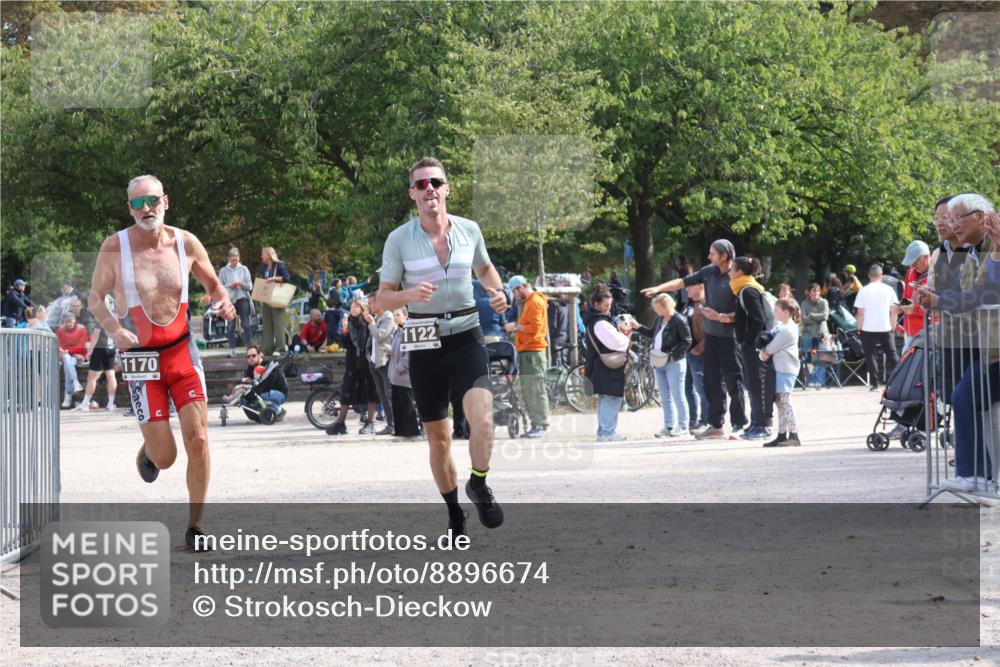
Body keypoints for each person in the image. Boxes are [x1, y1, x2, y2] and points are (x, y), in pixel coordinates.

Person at [86, 174, 236, 550]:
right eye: (137, 203)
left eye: (152, 201)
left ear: (166, 201)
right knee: (166, 458)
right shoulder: (114, 247)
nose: (146, 209)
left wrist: (223, 301)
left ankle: (196, 525)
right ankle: (150, 448)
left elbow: (214, 285)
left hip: (182, 351)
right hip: (141, 359)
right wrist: (114, 331)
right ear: (129, 208)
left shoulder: (185, 243)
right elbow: (94, 299)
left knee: (199, 439)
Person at [377, 156, 509, 536]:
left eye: (435, 182)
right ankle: (454, 512)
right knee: (439, 437)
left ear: (447, 188)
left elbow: (484, 269)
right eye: (421, 184)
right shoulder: (399, 239)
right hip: (423, 339)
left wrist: (496, 292)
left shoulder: (469, 230)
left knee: (483, 420)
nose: (429, 188)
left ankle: (479, 483)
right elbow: (381, 299)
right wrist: (409, 295)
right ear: (413, 195)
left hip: (467, 334)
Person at [916, 194, 1000, 493]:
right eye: (947, 219)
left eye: (956, 219)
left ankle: (977, 473)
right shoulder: (974, 251)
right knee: (964, 395)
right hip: (987, 348)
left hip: (992, 349)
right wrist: (938, 299)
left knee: (965, 395)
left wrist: (941, 300)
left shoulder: (991, 248)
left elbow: (989, 295)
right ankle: (976, 473)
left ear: (980, 216)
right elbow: (975, 292)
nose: (951, 225)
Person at [642, 239, 747, 439]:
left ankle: (739, 424)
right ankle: (716, 425)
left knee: (734, 381)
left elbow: (745, 310)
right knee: (711, 382)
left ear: (724, 256)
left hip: (730, 337)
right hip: (712, 337)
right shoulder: (709, 271)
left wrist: (724, 317)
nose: (709, 257)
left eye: (712, 254)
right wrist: (658, 289)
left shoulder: (738, 274)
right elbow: (682, 282)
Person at [730, 257, 775, 440]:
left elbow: (758, 319)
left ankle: (763, 425)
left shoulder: (748, 291)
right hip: (751, 345)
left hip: (754, 346)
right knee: (751, 384)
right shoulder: (745, 289)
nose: (729, 272)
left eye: (732, 269)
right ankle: (756, 422)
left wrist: (750, 341)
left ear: (740, 271)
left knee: (757, 385)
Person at [635, 293, 691, 437]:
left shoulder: (678, 319)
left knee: (678, 394)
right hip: (659, 361)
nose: (655, 310)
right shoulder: (660, 318)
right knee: (665, 396)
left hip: (674, 362)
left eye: (657, 307)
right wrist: (637, 327)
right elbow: (652, 333)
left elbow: (687, 341)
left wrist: (672, 356)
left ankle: (684, 426)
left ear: (665, 306)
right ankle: (669, 426)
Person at [584, 286, 633, 441]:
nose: (608, 309)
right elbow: (617, 342)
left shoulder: (594, 320)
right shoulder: (600, 322)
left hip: (599, 365)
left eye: (609, 305)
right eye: (606, 305)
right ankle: (607, 432)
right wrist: (627, 337)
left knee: (606, 399)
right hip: (606, 366)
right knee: (612, 398)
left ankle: (604, 431)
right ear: (597, 305)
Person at [504, 275, 549, 438]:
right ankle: (536, 425)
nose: (514, 295)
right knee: (529, 390)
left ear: (521, 287)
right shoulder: (529, 302)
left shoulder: (535, 302)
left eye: (515, 291)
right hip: (528, 351)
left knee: (536, 389)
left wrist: (515, 326)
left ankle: (541, 425)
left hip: (533, 352)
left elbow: (535, 328)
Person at [760, 299, 803, 447]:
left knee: (785, 402)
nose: (774, 312)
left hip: (785, 369)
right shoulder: (781, 326)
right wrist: (764, 352)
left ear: (786, 313)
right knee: (780, 403)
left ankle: (794, 434)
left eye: (777, 309)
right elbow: (765, 349)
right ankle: (782, 434)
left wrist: (764, 352)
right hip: (780, 368)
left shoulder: (787, 329)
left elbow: (769, 348)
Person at [854, 264, 900, 390]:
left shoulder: (863, 290)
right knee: (892, 354)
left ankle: (875, 384)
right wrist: (893, 326)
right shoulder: (889, 289)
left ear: (869, 276)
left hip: (868, 328)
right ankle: (900, 379)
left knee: (870, 355)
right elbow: (894, 310)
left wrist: (859, 327)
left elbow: (860, 313)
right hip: (885, 326)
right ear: (881, 276)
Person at [73, 295, 119, 413]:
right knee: (111, 376)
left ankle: (85, 403)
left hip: (99, 348)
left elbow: (96, 335)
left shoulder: (101, 316)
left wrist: (90, 351)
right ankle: (111, 403)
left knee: (92, 378)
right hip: (111, 348)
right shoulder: (115, 316)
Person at [365, 293, 397, 436]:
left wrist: (371, 323)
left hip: (385, 361)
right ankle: (390, 425)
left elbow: (379, 335)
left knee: (389, 394)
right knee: (382, 395)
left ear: (379, 303)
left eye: (370, 303)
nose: (368, 306)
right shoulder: (377, 318)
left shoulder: (389, 317)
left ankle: (396, 424)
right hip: (374, 362)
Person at [388, 307, 422, 439]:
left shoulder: (408, 331)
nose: (395, 317)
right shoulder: (398, 331)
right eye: (394, 315)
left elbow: (409, 353)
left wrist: (399, 367)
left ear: (405, 316)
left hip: (404, 375)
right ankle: (401, 431)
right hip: (395, 375)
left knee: (406, 404)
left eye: (398, 315)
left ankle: (412, 432)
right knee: (397, 405)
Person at [218, 247, 254, 357]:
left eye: (236, 260)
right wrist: (230, 285)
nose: (235, 262)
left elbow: (250, 286)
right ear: (228, 259)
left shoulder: (244, 269)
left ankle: (250, 349)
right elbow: (220, 287)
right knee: (230, 325)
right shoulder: (223, 271)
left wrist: (241, 284)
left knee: (246, 324)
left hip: (242, 298)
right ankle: (232, 350)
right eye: (233, 260)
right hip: (230, 300)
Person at [683, 283, 709, 430]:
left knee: (702, 388)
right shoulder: (688, 305)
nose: (686, 289)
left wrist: (698, 349)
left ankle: (705, 420)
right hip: (687, 353)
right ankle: (693, 420)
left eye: (690, 286)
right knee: (688, 388)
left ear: (700, 286)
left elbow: (711, 330)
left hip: (699, 354)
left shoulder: (706, 304)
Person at [899, 240, 931, 354]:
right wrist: (900, 306)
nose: (912, 265)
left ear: (926, 257)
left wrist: (913, 309)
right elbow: (905, 296)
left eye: (915, 261)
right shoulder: (911, 271)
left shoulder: (937, 275)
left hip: (926, 335)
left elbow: (938, 309)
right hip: (909, 333)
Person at [258, 246, 290, 356]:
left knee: (278, 323)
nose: (261, 256)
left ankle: (280, 348)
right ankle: (266, 348)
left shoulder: (279, 264)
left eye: (263, 254)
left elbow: (286, 278)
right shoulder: (264, 267)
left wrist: (273, 278)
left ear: (269, 255)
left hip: (277, 296)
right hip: (267, 297)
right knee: (266, 323)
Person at [238, 345, 287, 415]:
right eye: (248, 357)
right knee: (245, 397)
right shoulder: (251, 368)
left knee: (255, 396)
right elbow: (249, 383)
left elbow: (269, 385)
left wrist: (252, 392)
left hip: (279, 393)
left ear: (259, 355)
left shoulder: (268, 366)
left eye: (253, 355)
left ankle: (278, 410)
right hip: (263, 392)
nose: (251, 358)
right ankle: (263, 416)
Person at [799, 283, 831, 387]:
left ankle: (820, 381)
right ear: (809, 292)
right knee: (809, 359)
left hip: (822, 335)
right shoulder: (804, 303)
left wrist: (811, 315)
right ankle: (810, 382)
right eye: (813, 291)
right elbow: (804, 319)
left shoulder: (824, 302)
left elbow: (825, 316)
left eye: (817, 291)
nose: (815, 293)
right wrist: (818, 318)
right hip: (808, 335)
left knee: (821, 358)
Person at [55, 312, 87, 407]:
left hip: (78, 355)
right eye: (66, 322)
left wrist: (69, 352)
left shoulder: (82, 329)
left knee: (67, 362)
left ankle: (67, 396)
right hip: (65, 356)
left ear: (74, 320)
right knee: (67, 359)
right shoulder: (59, 331)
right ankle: (75, 382)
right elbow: (59, 345)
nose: (68, 324)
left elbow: (82, 345)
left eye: (70, 321)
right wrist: (63, 351)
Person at [473, 279, 506, 343]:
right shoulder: (495, 301)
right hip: (497, 336)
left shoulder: (473, 304)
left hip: (480, 338)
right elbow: (502, 321)